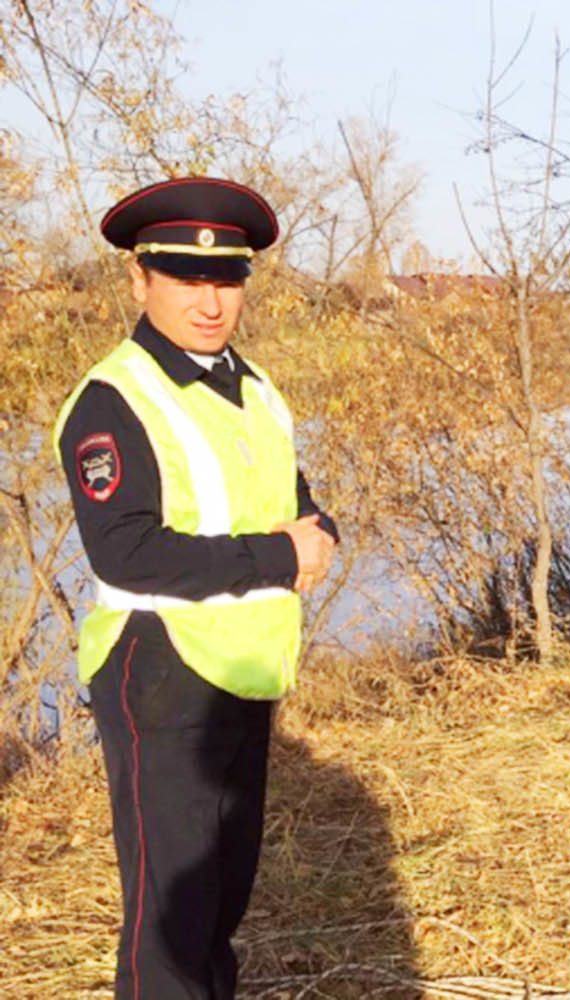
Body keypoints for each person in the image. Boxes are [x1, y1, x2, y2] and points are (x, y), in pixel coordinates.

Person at [55, 177, 338, 1000]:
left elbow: (292, 501)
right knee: (170, 926)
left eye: (226, 280)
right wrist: (283, 556)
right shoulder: (116, 398)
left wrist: (315, 530)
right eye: (185, 277)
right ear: (140, 281)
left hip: (243, 669)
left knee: (218, 905)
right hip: (162, 671)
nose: (209, 301)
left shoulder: (251, 387)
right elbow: (126, 553)